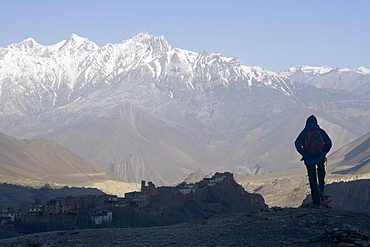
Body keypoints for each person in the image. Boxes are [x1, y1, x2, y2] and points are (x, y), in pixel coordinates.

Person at [295, 115, 332, 208]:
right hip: (320, 158)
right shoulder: (320, 131)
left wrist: (304, 153)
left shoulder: (304, 132)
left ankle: (316, 202)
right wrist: (323, 152)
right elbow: (329, 143)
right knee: (321, 174)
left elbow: (297, 144)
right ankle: (322, 192)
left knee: (312, 179)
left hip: (309, 159)